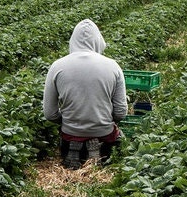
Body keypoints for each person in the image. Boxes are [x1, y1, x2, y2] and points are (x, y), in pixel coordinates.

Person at [44, 19, 128, 168]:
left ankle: (75, 152)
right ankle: (100, 154)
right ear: (98, 41)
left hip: (70, 136)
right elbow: (121, 112)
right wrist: (101, 121)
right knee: (114, 141)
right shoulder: (113, 66)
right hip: (104, 136)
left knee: (71, 142)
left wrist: (71, 122)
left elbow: (50, 113)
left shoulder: (57, 66)